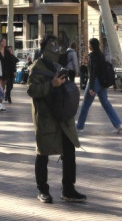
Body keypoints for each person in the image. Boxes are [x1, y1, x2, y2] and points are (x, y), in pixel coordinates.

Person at [27, 34, 86, 204]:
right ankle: (42, 190)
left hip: (62, 115)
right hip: (45, 117)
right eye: (52, 45)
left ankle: (68, 189)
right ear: (44, 47)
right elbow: (32, 91)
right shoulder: (36, 67)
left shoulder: (57, 65)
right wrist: (51, 85)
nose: (55, 48)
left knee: (69, 152)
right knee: (43, 153)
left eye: (56, 45)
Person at [76, 37, 122, 134]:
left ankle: (79, 127)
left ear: (92, 45)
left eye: (89, 44)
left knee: (85, 105)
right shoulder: (101, 55)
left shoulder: (92, 56)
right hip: (103, 82)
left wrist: (91, 87)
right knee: (106, 103)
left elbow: (93, 72)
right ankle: (118, 124)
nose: (88, 46)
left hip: (94, 82)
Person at [0, 37, 18, 104]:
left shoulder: (7, 53)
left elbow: (12, 62)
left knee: (8, 86)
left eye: (5, 42)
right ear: (0, 42)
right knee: (1, 87)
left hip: (7, 72)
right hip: (0, 71)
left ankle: (5, 96)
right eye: (4, 42)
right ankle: (1, 102)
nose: (5, 43)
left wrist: (14, 71)